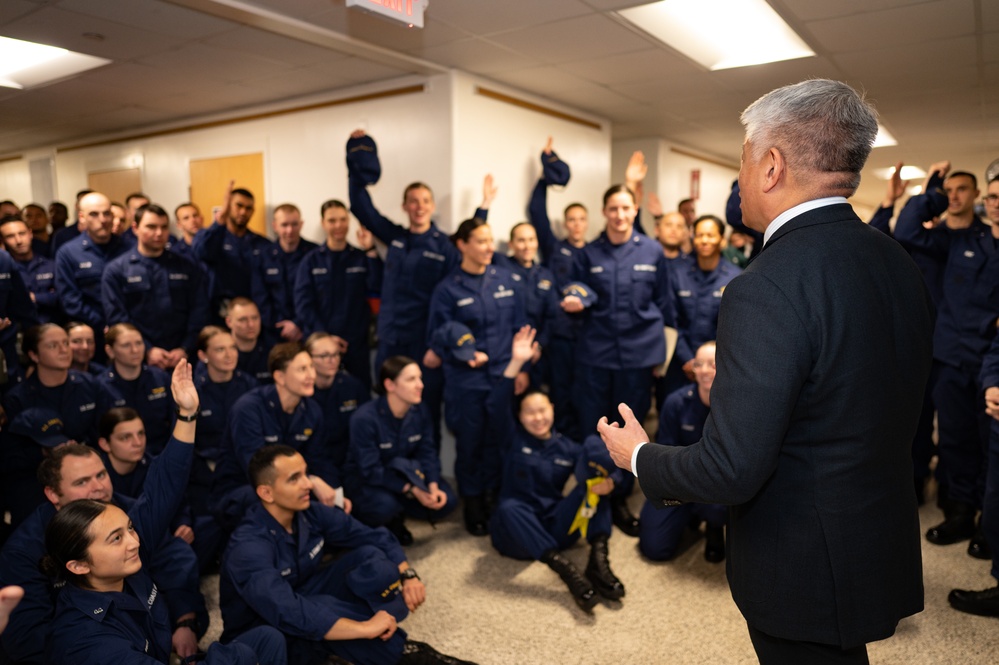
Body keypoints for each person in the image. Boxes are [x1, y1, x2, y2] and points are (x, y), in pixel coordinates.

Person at [599, 79, 934, 663]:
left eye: (743, 160)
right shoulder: (894, 259)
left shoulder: (765, 287)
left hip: (803, 558)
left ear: (772, 166)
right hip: (871, 534)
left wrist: (638, 457)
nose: (740, 177)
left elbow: (731, 468)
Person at [0, 362, 207, 664]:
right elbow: (30, 643)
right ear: (53, 494)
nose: (98, 488)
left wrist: (187, 415)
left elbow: (165, 487)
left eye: (101, 475)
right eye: (82, 482)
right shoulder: (22, 552)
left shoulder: (121, 514)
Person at [220, 444, 476, 665]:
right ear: (266, 492)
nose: (309, 484)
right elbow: (286, 609)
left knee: (371, 557)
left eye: (306, 474)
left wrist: (408, 574)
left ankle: (361, 641)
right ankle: (399, 653)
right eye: (294, 479)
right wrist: (363, 628)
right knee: (327, 610)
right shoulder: (248, 546)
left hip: (303, 592)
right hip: (263, 629)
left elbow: (376, 536)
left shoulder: (309, 513)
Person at [895, 163, 998, 555]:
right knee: (954, 440)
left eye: (961, 190)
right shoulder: (948, 241)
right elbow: (905, 233)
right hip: (952, 356)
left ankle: (990, 524)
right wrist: (933, 191)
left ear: (977, 199)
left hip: (989, 357)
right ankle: (959, 511)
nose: (955, 196)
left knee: (990, 445)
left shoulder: (985, 237)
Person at [42, 500, 285, 665]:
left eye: (130, 529)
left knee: (267, 638)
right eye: (116, 538)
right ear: (79, 565)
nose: (134, 542)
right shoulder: (86, 640)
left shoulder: (126, 574)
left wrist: (186, 623)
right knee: (241, 654)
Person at [562, 180, 674, 537]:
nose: (620, 215)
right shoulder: (587, 254)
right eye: (614, 208)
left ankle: (622, 493)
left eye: (626, 208)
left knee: (631, 428)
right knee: (595, 427)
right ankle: (594, 490)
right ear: (604, 212)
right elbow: (574, 296)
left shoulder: (652, 251)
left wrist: (662, 355)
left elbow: (665, 304)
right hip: (595, 355)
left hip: (639, 355)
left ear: (634, 210)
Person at [489, 327, 625, 612]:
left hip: (554, 527)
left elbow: (604, 473)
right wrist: (517, 362)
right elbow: (496, 403)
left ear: (552, 409)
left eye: (542, 410)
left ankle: (599, 561)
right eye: (530, 412)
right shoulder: (511, 438)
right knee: (508, 507)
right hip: (516, 535)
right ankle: (566, 571)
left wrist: (612, 480)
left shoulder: (566, 447)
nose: (538, 418)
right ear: (520, 417)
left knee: (593, 480)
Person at [427, 217, 527, 536]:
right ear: (463, 245)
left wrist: (521, 369)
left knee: (499, 440)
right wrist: (463, 353)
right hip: (466, 382)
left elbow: (520, 330)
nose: (488, 248)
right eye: (481, 241)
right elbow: (437, 336)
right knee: (470, 444)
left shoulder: (507, 280)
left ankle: (495, 496)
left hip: (503, 376)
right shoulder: (447, 289)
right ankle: (473, 502)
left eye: (490, 240)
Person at [346, 355, 456, 544]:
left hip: (403, 473)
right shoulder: (364, 419)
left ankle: (401, 506)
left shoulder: (420, 410)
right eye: (411, 379)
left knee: (447, 501)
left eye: (420, 378)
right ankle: (387, 516)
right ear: (390, 385)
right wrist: (413, 490)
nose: (420, 385)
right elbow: (370, 470)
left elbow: (427, 452)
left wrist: (432, 486)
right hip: (369, 479)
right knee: (386, 507)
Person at [640, 341, 726, 563]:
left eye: (712, 364)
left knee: (719, 507)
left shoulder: (737, 407)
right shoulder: (675, 403)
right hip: (681, 480)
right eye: (699, 364)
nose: (705, 371)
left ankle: (714, 527)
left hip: (719, 483)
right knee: (654, 548)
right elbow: (664, 454)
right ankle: (692, 513)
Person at [528, 138, 588, 438]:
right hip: (560, 337)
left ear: (587, 223)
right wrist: (544, 175)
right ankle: (563, 440)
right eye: (571, 220)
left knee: (585, 392)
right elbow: (536, 213)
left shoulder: (596, 251)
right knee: (561, 391)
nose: (576, 224)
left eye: (581, 219)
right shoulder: (554, 248)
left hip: (589, 336)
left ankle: (582, 441)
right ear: (565, 224)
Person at [102, 203, 208, 369]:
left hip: (184, 356)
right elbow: (117, 317)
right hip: (139, 358)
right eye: (151, 227)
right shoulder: (117, 270)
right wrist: (147, 350)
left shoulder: (186, 266)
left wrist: (185, 348)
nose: (159, 233)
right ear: (135, 228)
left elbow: (199, 310)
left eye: (164, 227)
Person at [189, 325, 258, 570]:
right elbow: (186, 440)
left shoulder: (249, 385)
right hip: (203, 473)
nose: (229, 354)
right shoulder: (192, 390)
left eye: (232, 348)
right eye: (220, 349)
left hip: (241, 469)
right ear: (203, 355)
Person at [295, 200, 383, 391]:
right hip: (320, 346)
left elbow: (377, 287)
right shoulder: (311, 261)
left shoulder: (361, 257)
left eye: (343, 220)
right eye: (332, 220)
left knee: (360, 394)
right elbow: (303, 305)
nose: (338, 226)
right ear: (323, 223)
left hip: (356, 344)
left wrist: (370, 249)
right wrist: (326, 338)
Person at [661, 215, 741, 397]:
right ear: (692, 238)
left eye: (710, 235)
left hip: (718, 367)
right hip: (681, 363)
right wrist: (689, 360)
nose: (704, 241)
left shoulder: (735, 278)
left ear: (722, 240)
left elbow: (735, 328)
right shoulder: (677, 274)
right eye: (699, 235)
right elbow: (672, 321)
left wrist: (709, 362)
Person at [54, 192, 128, 361]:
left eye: (107, 213)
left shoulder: (129, 248)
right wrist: (103, 324)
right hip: (90, 336)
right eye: (94, 214)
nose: (103, 219)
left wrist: (120, 325)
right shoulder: (68, 253)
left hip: (129, 332)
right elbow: (70, 300)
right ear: (82, 217)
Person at [305, 331, 368, 512]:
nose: (332, 360)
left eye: (335, 354)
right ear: (308, 358)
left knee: (378, 504)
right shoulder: (301, 391)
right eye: (324, 356)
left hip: (349, 459)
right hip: (317, 463)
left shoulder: (352, 386)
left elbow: (366, 427)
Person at [492, 222, 559, 388]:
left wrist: (539, 346)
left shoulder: (545, 275)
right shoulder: (500, 267)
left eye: (531, 239)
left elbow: (552, 317)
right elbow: (474, 241)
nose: (527, 245)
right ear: (511, 244)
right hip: (504, 352)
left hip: (536, 353)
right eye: (521, 240)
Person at [192, 182, 270, 321]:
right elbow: (202, 252)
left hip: (253, 314)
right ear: (228, 206)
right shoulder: (211, 236)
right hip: (218, 313)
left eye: (248, 208)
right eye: (239, 206)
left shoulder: (262, 243)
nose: (243, 212)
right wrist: (219, 223)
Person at [100, 323, 175, 455]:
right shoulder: (101, 386)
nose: (135, 350)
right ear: (110, 351)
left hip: (162, 452)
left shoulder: (160, 377)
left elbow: (175, 418)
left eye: (139, 343)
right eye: (126, 345)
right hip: (121, 458)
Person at [252, 203, 318, 345]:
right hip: (273, 333)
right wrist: (281, 327)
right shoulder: (262, 257)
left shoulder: (315, 254)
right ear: (275, 226)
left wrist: (298, 324)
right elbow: (260, 298)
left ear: (301, 224)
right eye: (284, 225)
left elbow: (319, 296)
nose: (290, 230)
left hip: (308, 332)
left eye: (294, 224)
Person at [1, 215, 60, 324]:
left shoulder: (51, 265)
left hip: (53, 325)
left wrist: (34, 297)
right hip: (21, 329)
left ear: (30, 233)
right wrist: (46, 296)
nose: (18, 241)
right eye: (10, 236)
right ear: (2, 241)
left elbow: (61, 297)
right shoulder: (5, 271)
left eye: (22, 234)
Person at [225, 297, 272, 383]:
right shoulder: (218, 356)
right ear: (229, 322)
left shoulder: (271, 353)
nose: (251, 324)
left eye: (255, 318)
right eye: (243, 319)